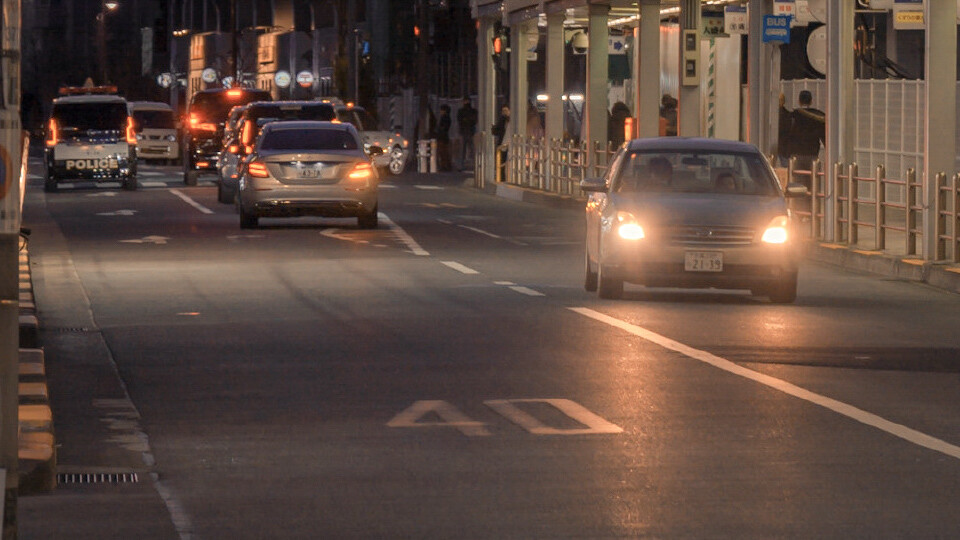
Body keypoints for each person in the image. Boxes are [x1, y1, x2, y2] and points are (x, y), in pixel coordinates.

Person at [779, 90, 825, 179]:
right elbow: (824, 136)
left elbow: (785, 135)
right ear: (811, 101)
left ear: (799, 102)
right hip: (813, 156)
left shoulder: (793, 116)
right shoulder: (819, 116)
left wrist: (785, 152)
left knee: (796, 185)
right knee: (813, 186)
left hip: (796, 156)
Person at [456, 97, 477, 171]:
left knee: (462, 150)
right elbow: (474, 120)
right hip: (470, 131)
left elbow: (459, 120)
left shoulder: (461, 111)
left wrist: (465, 120)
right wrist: (469, 120)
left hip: (463, 131)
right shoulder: (473, 111)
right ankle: (476, 165)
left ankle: (461, 166)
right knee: (472, 149)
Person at [492, 105, 510, 181]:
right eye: (503, 111)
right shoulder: (502, 120)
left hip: (509, 142)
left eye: (506, 110)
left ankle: (506, 177)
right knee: (501, 160)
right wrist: (493, 127)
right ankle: (501, 177)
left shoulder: (513, 120)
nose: (504, 113)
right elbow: (495, 131)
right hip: (502, 143)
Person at [436, 104, 452, 171]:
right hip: (445, 137)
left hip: (442, 137)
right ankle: (447, 166)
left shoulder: (444, 118)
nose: (440, 111)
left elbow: (443, 128)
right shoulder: (448, 118)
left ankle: (444, 166)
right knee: (445, 152)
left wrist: (439, 130)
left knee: (442, 152)